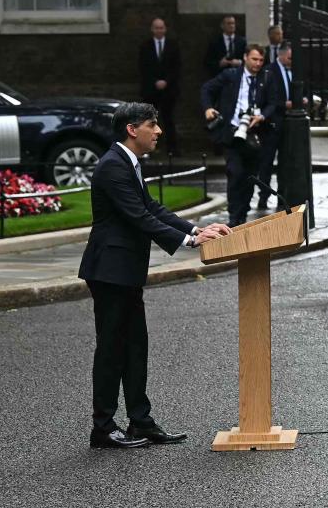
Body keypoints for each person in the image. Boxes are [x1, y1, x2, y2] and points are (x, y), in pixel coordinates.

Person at [77, 103, 229, 449]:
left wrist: (196, 227)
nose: (158, 131)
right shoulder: (112, 167)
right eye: (152, 124)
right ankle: (102, 427)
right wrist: (190, 241)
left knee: (135, 347)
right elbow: (137, 217)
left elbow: (152, 209)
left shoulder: (127, 163)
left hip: (125, 270)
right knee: (112, 349)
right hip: (109, 271)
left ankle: (140, 422)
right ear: (132, 129)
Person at [200, 43, 276, 227]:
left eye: (260, 60)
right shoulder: (231, 75)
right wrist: (208, 108)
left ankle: (243, 211)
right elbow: (207, 89)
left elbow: (273, 102)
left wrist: (262, 116)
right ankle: (234, 215)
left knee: (250, 175)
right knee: (235, 173)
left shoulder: (266, 77)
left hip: (255, 136)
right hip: (232, 133)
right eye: (254, 59)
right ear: (245, 57)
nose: (258, 63)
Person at [253, 42, 299, 211]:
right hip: (271, 124)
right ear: (281, 55)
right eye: (290, 57)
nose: (292, 60)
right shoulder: (269, 71)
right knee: (266, 163)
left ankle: (282, 196)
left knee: (286, 163)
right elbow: (267, 100)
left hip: (289, 124)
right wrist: (284, 104)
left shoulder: (295, 70)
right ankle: (263, 197)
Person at [137, 17, 181, 156]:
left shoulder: (173, 46)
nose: (159, 30)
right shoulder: (146, 46)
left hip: (169, 90)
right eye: (156, 28)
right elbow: (143, 67)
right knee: (150, 121)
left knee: (169, 119)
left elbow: (176, 67)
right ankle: (149, 148)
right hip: (151, 90)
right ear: (152, 29)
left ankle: (172, 149)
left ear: (165, 29)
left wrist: (166, 81)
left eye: (161, 28)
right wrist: (155, 81)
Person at [203, 13, 245, 78]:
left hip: (238, 76)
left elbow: (248, 59)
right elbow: (207, 62)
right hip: (221, 76)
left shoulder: (242, 41)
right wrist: (219, 64)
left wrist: (240, 62)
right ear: (222, 26)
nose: (231, 26)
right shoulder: (215, 42)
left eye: (233, 23)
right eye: (228, 23)